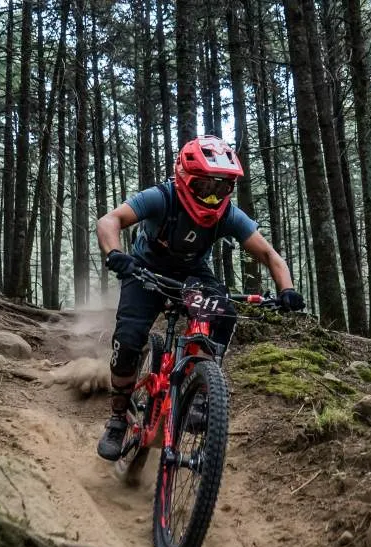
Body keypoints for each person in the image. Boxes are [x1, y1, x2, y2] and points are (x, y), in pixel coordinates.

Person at [94, 135, 305, 461]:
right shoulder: (162, 197)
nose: (213, 196)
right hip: (146, 268)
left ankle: (204, 391)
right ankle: (118, 419)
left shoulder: (228, 215)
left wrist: (287, 290)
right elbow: (110, 220)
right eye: (205, 186)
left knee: (222, 314)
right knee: (128, 341)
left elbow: (270, 256)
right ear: (185, 178)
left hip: (192, 272)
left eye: (222, 188)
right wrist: (116, 255)